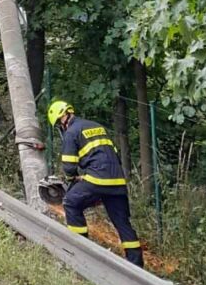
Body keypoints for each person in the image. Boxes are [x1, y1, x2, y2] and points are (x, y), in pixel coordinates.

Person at [47, 100, 144, 268]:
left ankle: (80, 254)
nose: (60, 128)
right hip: (118, 181)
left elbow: (69, 165)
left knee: (70, 202)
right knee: (122, 223)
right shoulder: (97, 126)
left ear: (63, 117)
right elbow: (110, 155)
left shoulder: (71, 132)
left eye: (58, 124)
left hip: (97, 180)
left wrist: (72, 179)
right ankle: (137, 266)